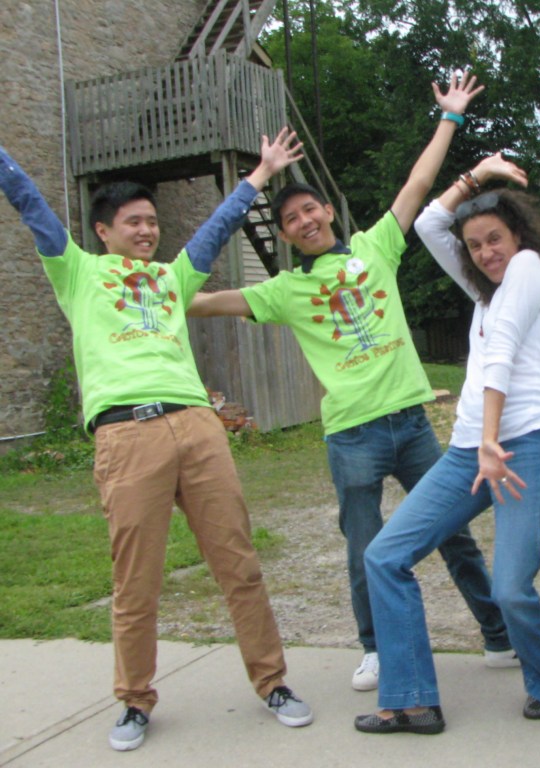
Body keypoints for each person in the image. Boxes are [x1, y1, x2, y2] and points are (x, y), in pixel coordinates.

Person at [188, 72, 521, 691]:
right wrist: (162, 287)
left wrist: (450, 118)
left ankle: (498, 638)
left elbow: (419, 184)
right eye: (291, 219)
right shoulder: (285, 291)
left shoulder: (377, 247)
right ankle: (374, 649)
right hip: (353, 439)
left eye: (309, 208)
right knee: (365, 549)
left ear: (327, 213)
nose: (304, 220)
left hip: (412, 426)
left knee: (453, 535)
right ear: (285, 237)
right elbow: (205, 302)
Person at [0, 129, 313, 752]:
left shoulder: (172, 278)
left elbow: (217, 228)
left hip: (196, 426)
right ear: (103, 231)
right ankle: (135, 701)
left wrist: (261, 173)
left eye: (151, 222)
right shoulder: (77, 273)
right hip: (126, 435)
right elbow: (28, 201)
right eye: (133, 223)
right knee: (136, 581)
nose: (147, 231)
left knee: (238, 563)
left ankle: (273, 682)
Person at [353, 153, 540, 735]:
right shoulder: (485, 292)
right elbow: (428, 224)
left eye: (494, 238)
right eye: (475, 245)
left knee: (509, 586)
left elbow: (501, 353)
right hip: (473, 452)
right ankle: (413, 700)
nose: (486, 253)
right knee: (384, 555)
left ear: (517, 234)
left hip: (524, 445)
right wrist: (476, 175)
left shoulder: (528, 269)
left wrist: (492, 441)